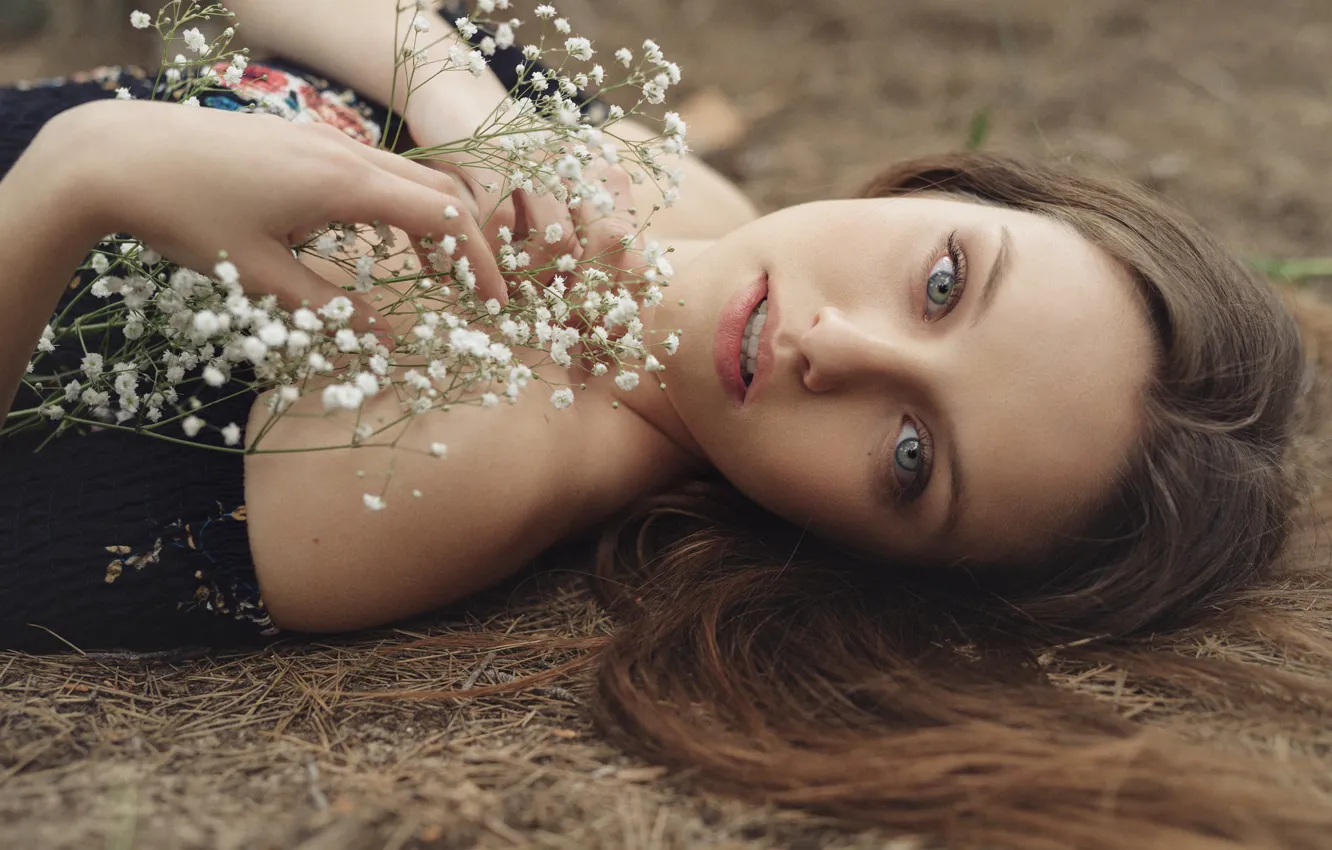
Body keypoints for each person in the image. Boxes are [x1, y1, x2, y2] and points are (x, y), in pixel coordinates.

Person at [2, 3, 1331, 848]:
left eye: (910, 457)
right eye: (943, 282)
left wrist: (84, 178)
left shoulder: (440, 471)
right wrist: (463, 91)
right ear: (954, 186)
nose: (835, 348)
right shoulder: (681, 186)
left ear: (862, 547)